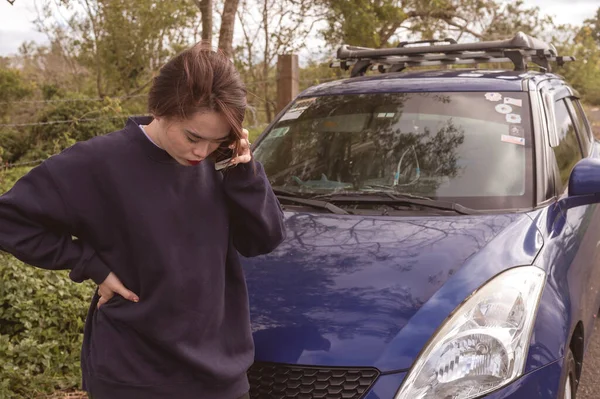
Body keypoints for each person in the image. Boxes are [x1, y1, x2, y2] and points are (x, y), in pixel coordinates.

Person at [0, 43, 286, 399]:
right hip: (133, 375)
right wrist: (88, 264)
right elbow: (9, 219)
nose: (202, 152)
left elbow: (264, 239)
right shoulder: (98, 163)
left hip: (219, 375)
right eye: (193, 137)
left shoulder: (224, 164)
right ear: (160, 109)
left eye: (217, 140)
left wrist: (245, 174)